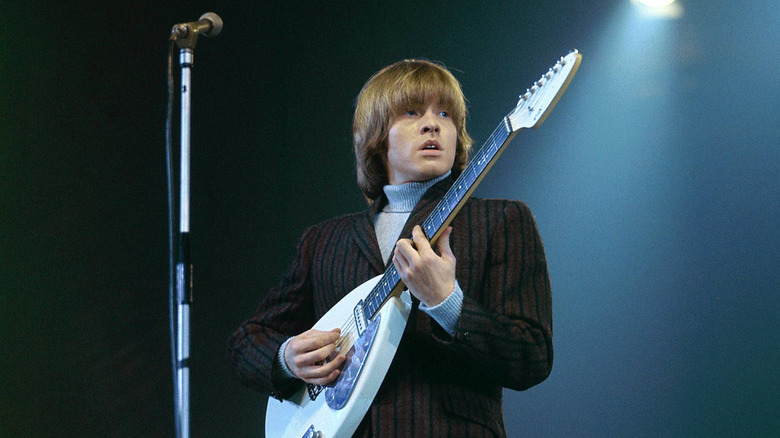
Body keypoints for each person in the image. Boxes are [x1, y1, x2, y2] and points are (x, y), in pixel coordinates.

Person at [228, 59, 553, 437]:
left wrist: (447, 303)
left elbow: (532, 356)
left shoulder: (501, 221)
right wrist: (287, 358)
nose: (432, 123)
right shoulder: (322, 241)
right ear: (377, 136)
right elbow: (246, 342)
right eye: (412, 112)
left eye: (445, 114)